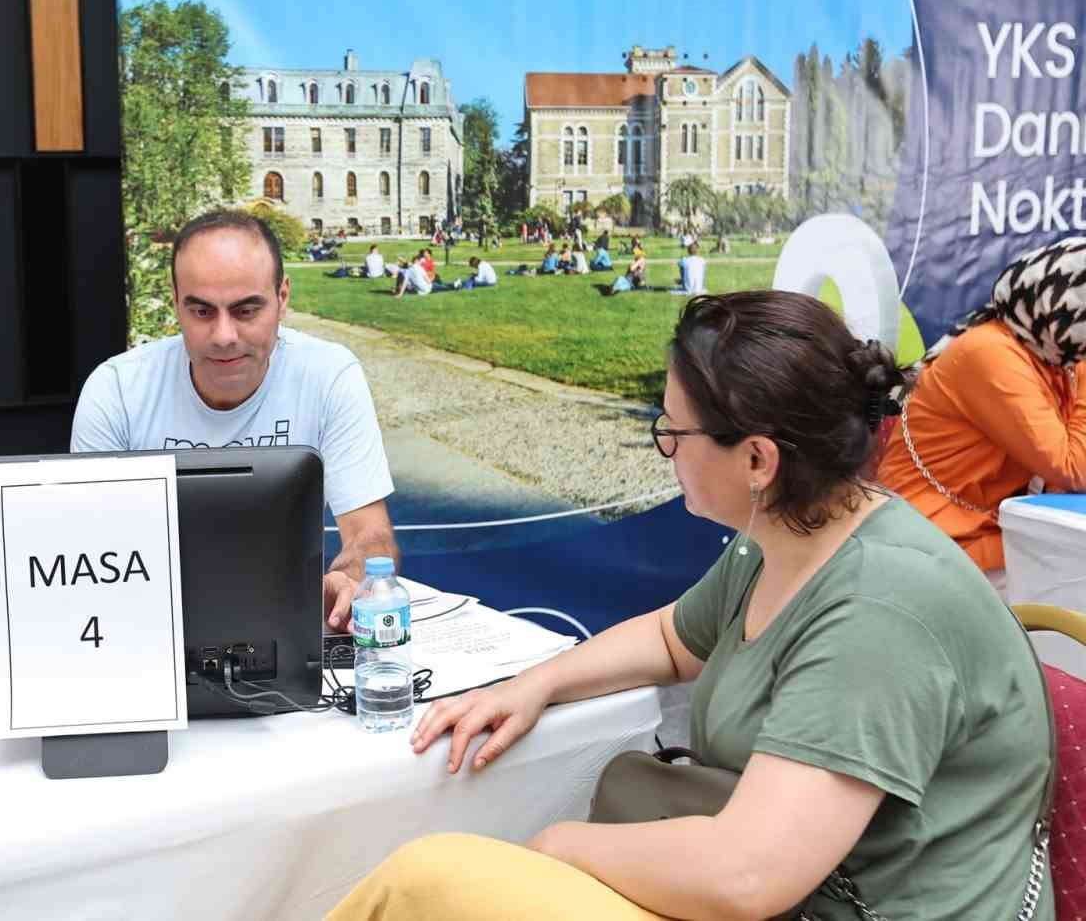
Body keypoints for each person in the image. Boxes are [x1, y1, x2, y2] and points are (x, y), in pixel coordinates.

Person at [328, 291, 1053, 921]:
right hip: (795, 892)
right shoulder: (794, 531)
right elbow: (677, 636)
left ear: (759, 460)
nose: (665, 446)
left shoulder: (881, 611)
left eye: (674, 431)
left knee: (430, 879)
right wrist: (535, 683)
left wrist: (558, 846)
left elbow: (748, 872)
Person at [71, 211, 398, 629]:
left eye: (245, 311)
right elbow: (86, 550)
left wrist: (353, 581)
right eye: (202, 312)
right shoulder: (116, 389)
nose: (224, 336)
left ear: (282, 299)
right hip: (148, 627)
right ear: (175, 302)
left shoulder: (328, 375)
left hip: (285, 626)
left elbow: (370, 533)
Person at [877, 236, 1086, 583]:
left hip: (994, 529)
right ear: (1066, 315)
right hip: (936, 539)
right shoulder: (990, 354)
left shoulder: (1051, 353)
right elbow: (1071, 467)